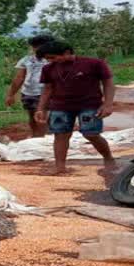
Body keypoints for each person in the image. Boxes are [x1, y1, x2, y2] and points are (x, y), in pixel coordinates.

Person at [34, 41, 116, 175]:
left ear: (66, 52)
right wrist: (40, 108)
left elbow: (108, 83)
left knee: (91, 134)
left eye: (53, 57)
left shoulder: (94, 64)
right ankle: (60, 166)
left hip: (90, 105)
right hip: (60, 106)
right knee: (60, 135)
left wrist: (107, 104)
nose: (50, 61)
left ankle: (108, 158)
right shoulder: (48, 69)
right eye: (47, 59)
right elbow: (47, 89)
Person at [5, 34, 55, 137]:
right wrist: (11, 95)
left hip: (46, 92)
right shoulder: (26, 60)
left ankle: (43, 140)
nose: (36, 49)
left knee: (41, 116)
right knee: (32, 117)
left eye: (39, 46)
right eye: (34, 46)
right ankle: (36, 137)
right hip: (28, 93)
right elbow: (19, 78)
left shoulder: (54, 59)